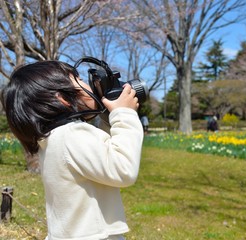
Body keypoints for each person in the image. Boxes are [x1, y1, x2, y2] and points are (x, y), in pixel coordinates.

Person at [1, 61, 144, 240]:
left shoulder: (53, 138)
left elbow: (102, 156)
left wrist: (108, 118)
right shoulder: (72, 135)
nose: (87, 84)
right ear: (62, 98)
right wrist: (124, 113)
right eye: (79, 78)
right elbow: (123, 169)